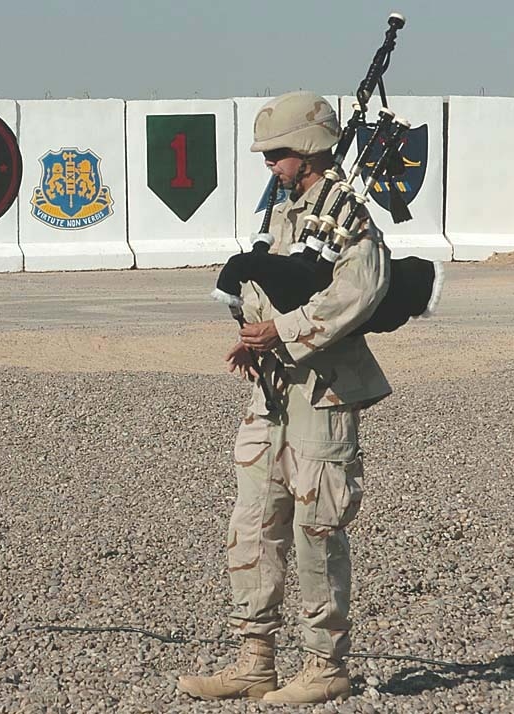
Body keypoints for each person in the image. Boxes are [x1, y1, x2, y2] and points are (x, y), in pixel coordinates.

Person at [177, 91, 392, 704]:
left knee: (316, 528)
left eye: (278, 153)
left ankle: (325, 665)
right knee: (253, 524)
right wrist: (253, 333)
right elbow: (272, 279)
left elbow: (360, 290)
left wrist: (285, 331)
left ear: (308, 149)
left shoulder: (346, 213)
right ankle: (255, 660)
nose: (270, 163)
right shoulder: (286, 212)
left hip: (322, 394)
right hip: (270, 390)